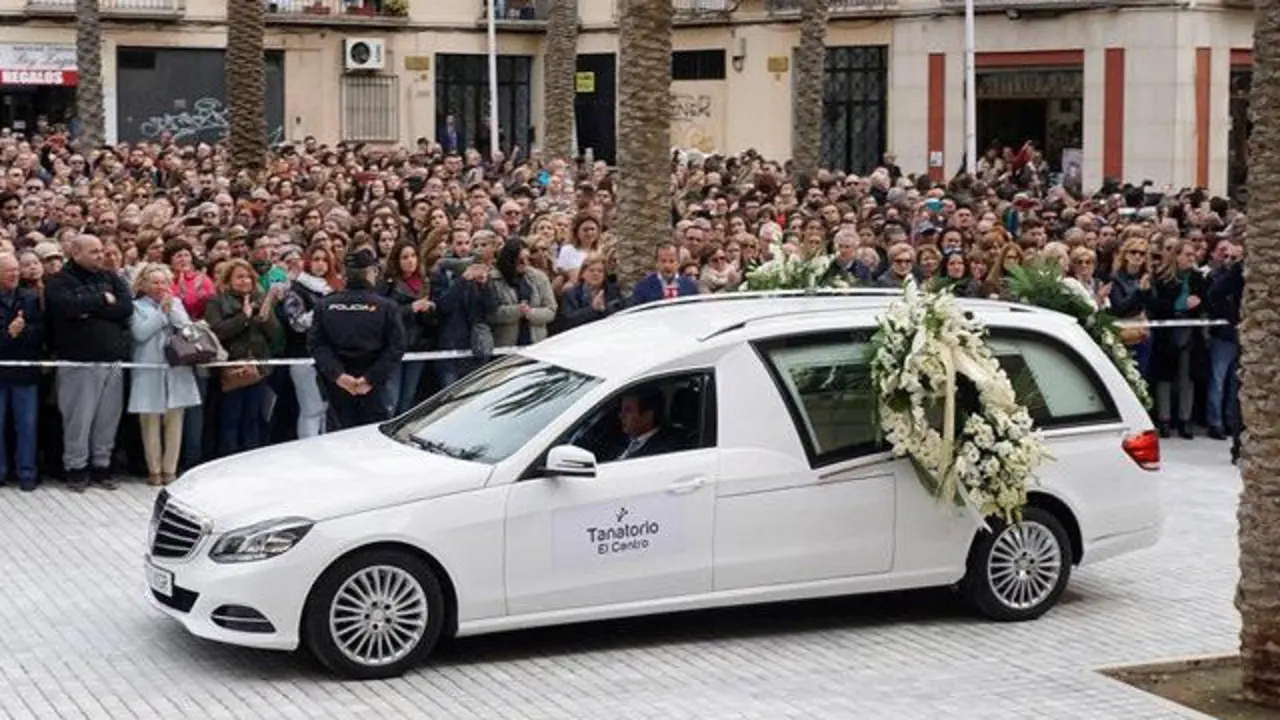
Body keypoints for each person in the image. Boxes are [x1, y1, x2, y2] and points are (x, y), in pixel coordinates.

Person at [44, 234, 133, 492]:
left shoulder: (111, 277)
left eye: (101, 250)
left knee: (108, 418)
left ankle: (102, 466)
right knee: (78, 419)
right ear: (76, 253)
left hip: (112, 362)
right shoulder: (59, 281)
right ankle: (76, 468)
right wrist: (102, 301)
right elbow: (67, 308)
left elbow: (125, 308)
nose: (100, 255)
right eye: (93, 252)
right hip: (78, 362)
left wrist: (90, 311)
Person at [309, 247, 405, 431]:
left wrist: (338, 375)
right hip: (370, 385)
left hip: (341, 385)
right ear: (371, 273)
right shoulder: (386, 307)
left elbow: (317, 345)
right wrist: (369, 379)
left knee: (340, 436)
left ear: (345, 274)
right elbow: (396, 346)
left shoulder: (326, 305)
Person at [128, 263, 202, 486]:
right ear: (143, 284)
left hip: (176, 369)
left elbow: (190, 333)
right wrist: (162, 313)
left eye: (163, 282)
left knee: (175, 420)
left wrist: (175, 312)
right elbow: (140, 334)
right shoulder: (136, 307)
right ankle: (154, 470)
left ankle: (170, 469)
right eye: (155, 282)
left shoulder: (176, 303)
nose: (160, 286)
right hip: (149, 369)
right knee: (149, 421)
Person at [0, 252, 42, 491]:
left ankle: (27, 472)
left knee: (27, 424)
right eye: (8, 271)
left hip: (25, 372)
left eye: (16, 270)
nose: (14, 274)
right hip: (1, 371)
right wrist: (8, 335)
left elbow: (40, 331)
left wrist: (20, 332)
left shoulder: (30, 297)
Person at [614, 390, 682, 461]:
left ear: (647, 416)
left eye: (628, 410)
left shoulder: (664, 450)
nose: (621, 415)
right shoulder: (619, 441)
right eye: (621, 410)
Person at [628, 242, 700, 306]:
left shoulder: (690, 286)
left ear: (678, 263)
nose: (667, 266)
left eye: (671, 261)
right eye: (663, 261)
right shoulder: (643, 287)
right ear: (656, 263)